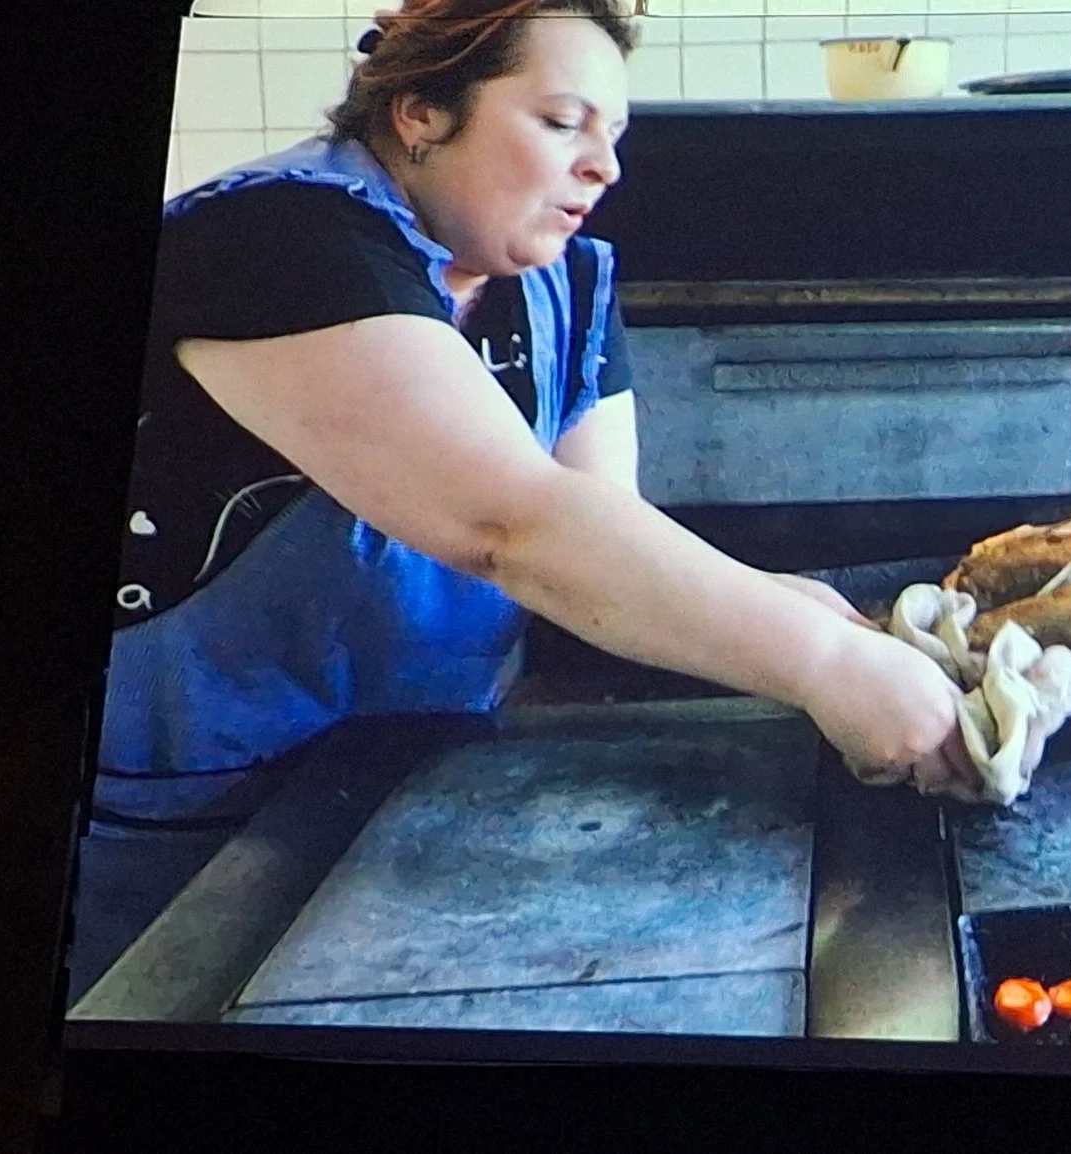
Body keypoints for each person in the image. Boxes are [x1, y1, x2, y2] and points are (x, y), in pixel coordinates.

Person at [69, 0, 968, 1002]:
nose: (603, 167)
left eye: (613, 136)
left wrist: (825, 617)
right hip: (177, 842)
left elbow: (603, 552)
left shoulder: (567, 285)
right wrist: (826, 665)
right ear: (421, 111)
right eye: (561, 121)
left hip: (406, 814)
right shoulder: (277, 237)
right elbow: (513, 524)